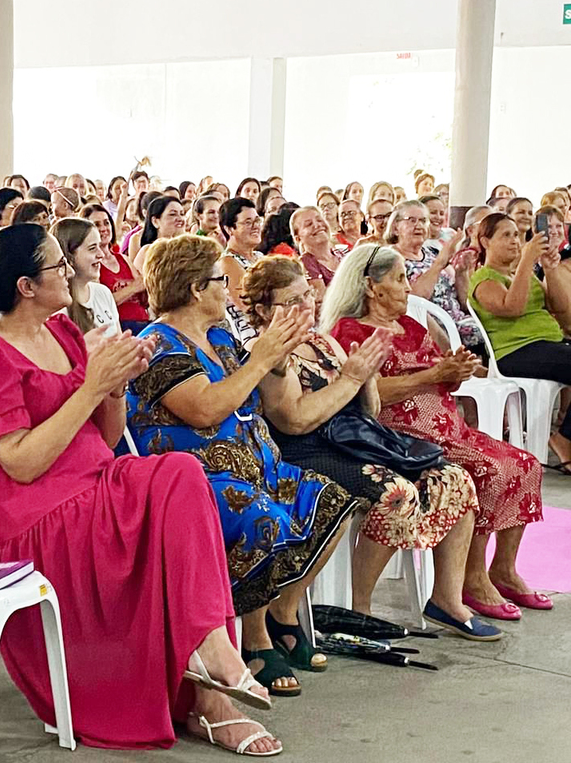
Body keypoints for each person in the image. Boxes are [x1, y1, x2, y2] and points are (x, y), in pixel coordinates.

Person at [0, 223, 281, 755]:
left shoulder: (61, 334)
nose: (73, 271)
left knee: (181, 473)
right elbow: (22, 465)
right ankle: (211, 694)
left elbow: (104, 435)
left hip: (95, 483)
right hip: (37, 516)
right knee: (176, 487)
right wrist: (90, 386)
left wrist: (117, 386)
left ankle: (209, 651)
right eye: (59, 265)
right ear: (26, 287)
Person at [128, 234, 358, 695]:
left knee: (333, 502)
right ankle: (252, 642)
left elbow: (266, 401)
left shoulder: (218, 337)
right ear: (196, 289)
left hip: (256, 465)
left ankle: (280, 614)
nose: (228, 291)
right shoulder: (158, 344)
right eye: (220, 281)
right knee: (265, 521)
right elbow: (206, 409)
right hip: (197, 480)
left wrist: (279, 357)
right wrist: (262, 358)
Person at [241, 256, 483, 625]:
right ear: (262, 309)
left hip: (350, 440)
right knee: (396, 493)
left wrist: (366, 377)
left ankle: (446, 600)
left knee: (453, 477)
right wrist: (350, 379)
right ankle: (361, 609)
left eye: (308, 295)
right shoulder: (270, 352)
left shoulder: (321, 343)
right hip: (305, 450)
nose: (306, 306)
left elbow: (368, 411)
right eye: (292, 301)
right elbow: (295, 420)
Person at [324, 244, 547, 627]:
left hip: (450, 430)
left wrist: (455, 371)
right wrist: (433, 376)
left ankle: (502, 570)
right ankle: (470, 580)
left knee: (524, 464)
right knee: (491, 470)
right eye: (399, 278)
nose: (408, 287)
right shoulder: (350, 332)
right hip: (402, 439)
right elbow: (369, 392)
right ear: (371, 287)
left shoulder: (412, 326)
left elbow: (441, 381)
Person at [471, 212, 571, 476]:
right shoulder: (484, 279)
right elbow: (511, 307)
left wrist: (550, 269)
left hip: (547, 346)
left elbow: (563, 311)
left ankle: (565, 437)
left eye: (517, 235)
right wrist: (528, 259)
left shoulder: (522, 274)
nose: (515, 241)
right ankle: (564, 439)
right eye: (506, 235)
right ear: (485, 241)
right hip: (515, 352)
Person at [386, 200, 481, 352]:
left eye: (423, 220)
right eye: (411, 220)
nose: (418, 225)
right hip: (432, 326)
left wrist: (461, 272)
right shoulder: (391, 259)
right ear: (396, 227)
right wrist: (439, 264)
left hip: (459, 319)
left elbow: (464, 301)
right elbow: (413, 300)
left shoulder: (433, 253)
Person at [84, 204, 149, 333]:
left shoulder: (123, 259)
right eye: (96, 225)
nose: (103, 228)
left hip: (144, 322)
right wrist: (133, 288)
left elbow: (143, 290)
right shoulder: (92, 263)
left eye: (106, 223)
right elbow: (101, 303)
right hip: (119, 328)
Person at [53, 218, 119, 336]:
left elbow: (120, 342)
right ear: (69, 256)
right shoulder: (57, 309)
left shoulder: (103, 292)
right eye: (92, 248)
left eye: (99, 246)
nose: (101, 254)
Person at [290, 206, 342, 304]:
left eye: (319, 220)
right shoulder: (305, 263)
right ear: (298, 239)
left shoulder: (341, 253)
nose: (317, 225)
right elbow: (323, 299)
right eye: (309, 224)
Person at [132, 195, 185, 272]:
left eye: (182, 214)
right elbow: (136, 282)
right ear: (155, 221)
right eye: (172, 214)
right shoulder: (147, 252)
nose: (180, 219)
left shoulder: (190, 250)